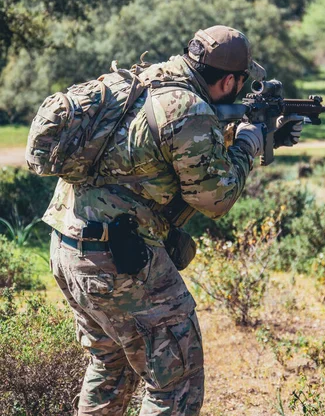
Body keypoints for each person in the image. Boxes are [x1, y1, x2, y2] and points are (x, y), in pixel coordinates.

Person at [43, 25, 302, 416]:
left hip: (68, 248)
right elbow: (215, 198)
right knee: (175, 383)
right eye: (241, 82)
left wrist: (260, 134)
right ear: (229, 80)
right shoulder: (189, 108)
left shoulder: (138, 79)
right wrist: (250, 141)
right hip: (120, 261)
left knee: (110, 364)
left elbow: (161, 153)